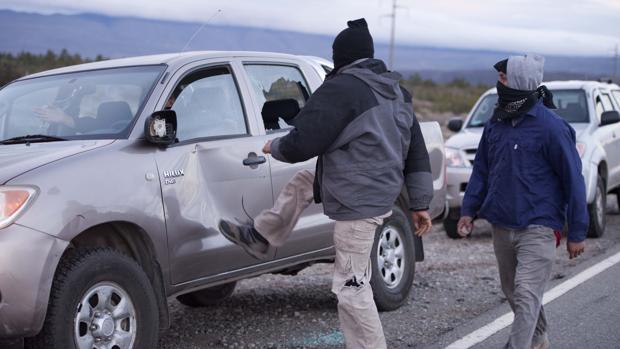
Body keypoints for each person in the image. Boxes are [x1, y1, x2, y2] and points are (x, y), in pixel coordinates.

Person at [218, 18, 434, 349]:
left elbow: (304, 142)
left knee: (351, 286)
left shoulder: (343, 89)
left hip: (357, 202)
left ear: (341, 56)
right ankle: (262, 235)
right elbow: (417, 151)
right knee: (304, 182)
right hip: (375, 189)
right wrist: (419, 204)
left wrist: (273, 146)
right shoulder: (396, 92)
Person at [457, 54, 588, 349]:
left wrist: (577, 232)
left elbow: (573, 180)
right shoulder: (496, 123)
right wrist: (469, 210)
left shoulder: (552, 128)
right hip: (502, 222)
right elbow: (482, 169)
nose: (499, 82)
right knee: (514, 291)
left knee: (527, 292)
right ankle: (539, 337)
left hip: (539, 225)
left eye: (504, 77)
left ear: (519, 81)